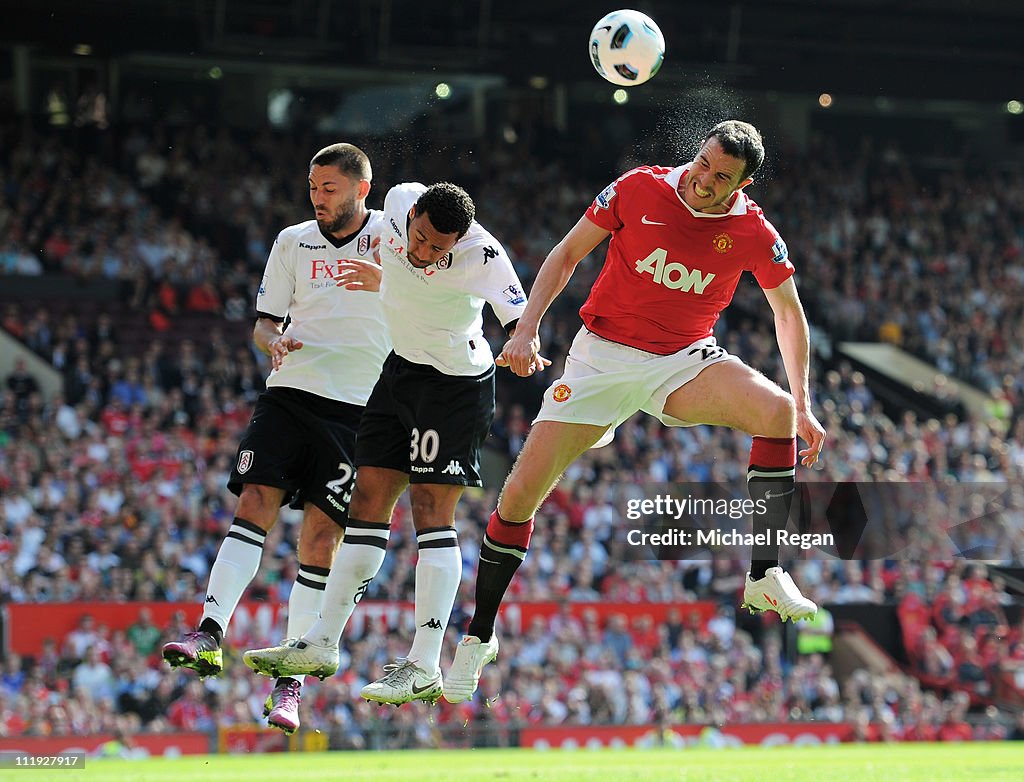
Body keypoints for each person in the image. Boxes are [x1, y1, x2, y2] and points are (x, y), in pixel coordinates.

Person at [443, 120, 827, 704]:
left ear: (743, 185)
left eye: (722, 177)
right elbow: (567, 253)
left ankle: (762, 575)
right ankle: (479, 636)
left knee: (775, 413)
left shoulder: (752, 230)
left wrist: (803, 403)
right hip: (600, 360)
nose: (705, 179)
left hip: (682, 361)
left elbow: (789, 315)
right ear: (697, 153)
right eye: (703, 163)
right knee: (518, 497)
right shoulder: (638, 188)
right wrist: (525, 330)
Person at [243, 181, 533, 706]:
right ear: (411, 214)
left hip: (454, 386)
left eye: (436, 249)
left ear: (459, 241)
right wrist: (387, 281)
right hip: (398, 372)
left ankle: (423, 663)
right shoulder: (401, 199)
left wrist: (522, 341)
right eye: (419, 239)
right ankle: (323, 641)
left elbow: (520, 316)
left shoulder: (484, 255)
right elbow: (402, 267)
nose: (423, 253)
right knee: (367, 500)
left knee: (429, 510)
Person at [161, 142, 389, 734]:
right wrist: (273, 343)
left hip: (359, 410)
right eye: (312, 188)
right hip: (290, 394)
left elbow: (433, 298)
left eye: (329, 188)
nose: (317, 198)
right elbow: (266, 322)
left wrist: (387, 282)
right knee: (254, 501)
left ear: (362, 189)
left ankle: (290, 681)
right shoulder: (292, 241)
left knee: (319, 539)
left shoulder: (394, 237)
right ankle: (209, 631)